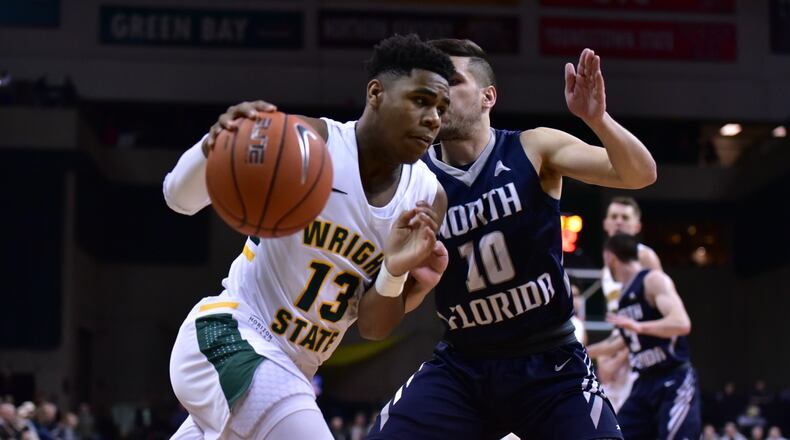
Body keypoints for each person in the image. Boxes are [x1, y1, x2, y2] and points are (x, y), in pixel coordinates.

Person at [218, 38, 656, 438]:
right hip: (464, 364)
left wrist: (597, 119)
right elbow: (389, 308)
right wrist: (399, 274)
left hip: (549, 362)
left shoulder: (533, 148)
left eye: (454, 82)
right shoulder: (413, 182)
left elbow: (640, 173)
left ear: (488, 97)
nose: (441, 97)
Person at [163, 34, 455, 439]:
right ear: (376, 93)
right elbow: (179, 199)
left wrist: (394, 272)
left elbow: (372, 326)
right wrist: (215, 146)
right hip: (234, 336)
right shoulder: (308, 143)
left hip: (297, 370)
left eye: (441, 108)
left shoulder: (427, 197)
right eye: (421, 100)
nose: (434, 119)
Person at [587, 233, 701, 439]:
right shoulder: (623, 297)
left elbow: (681, 323)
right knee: (615, 435)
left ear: (610, 256)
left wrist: (639, 326)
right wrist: (580, 351)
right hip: (644, 383)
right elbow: (617, 344)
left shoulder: (652, 279)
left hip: (673, 378)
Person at [598, 196, 662, 412]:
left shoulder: (644, 257)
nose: (618, 222)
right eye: (614, 217)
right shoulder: (608, 264)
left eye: (625, 217)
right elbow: (620, 321)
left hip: (641, 353)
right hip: (621, 345)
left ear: (636, 226)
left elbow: (654, 316)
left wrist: (619, 360)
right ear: (605, 224)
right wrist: (607, 358)